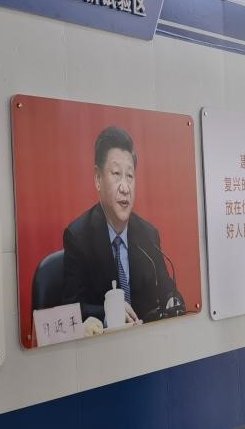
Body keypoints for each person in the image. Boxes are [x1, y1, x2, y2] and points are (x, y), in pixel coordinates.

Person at [62, 126, 180, 333]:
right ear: (98, 179)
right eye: (116, 174)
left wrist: (173, 299)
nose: (125, 188)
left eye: (130, 176)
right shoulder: (78, 236)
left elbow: (167, 288)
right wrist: (109, 312)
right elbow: (70, 308)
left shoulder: (148, 235)